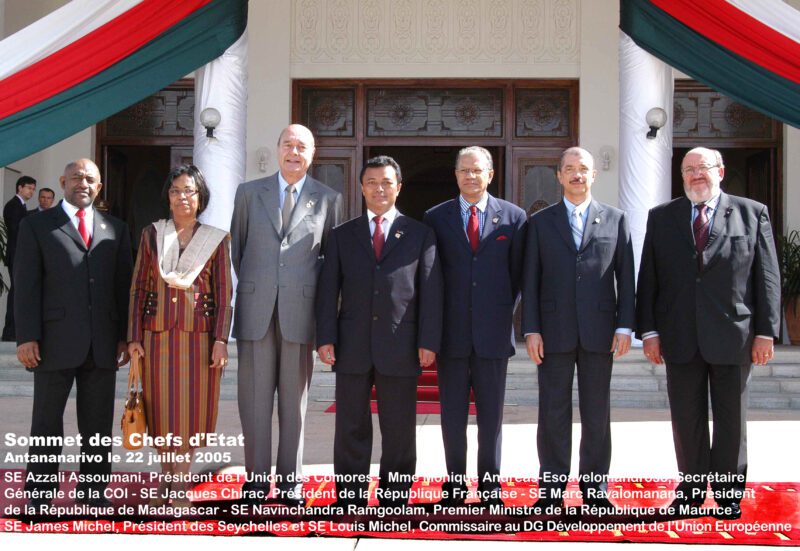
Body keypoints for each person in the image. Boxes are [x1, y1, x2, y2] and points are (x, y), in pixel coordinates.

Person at [636, 147, 781, 521]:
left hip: (734, 335)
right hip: (679, 335)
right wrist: (649, 331)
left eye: (702, 168)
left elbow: (767, 277)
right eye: (688, 169)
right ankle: (691, 492)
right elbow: (649, 277)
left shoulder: (752, 213)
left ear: (721, 171)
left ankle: (728, 494)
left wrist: (767, 332)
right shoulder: (662, 217)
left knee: (732, 419)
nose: (695, 175)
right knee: (687, 420)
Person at [317, 155, 442, 509]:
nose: (379, 189)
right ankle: (350, 497)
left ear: (398, 187)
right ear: (361, 187)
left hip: (401, 344)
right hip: (351, 344)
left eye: (386, 182)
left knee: (399, 427)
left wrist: (428, 340)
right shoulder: (342, 235)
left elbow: (431, 291)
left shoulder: (420, 234)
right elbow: (328, 290)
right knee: (351, 426)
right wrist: (325, 337)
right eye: (371, 182)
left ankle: (395, 497)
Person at [231, 123, 343, 507]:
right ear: (277, 148)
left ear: (313, 154)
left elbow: (330, 262)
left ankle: (290, 481)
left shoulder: (327, 198)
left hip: (300, 312)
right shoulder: (249, 193)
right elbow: (239, 250)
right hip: (256, 311)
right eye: (288, 145)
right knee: (254, 402)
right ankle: (256, 481)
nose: (294, 152)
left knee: (294, 404)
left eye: (302, 147)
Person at [522, 147, 635, 513]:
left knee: (596, 414)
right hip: (552, 333)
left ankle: (595, 489)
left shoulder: (616, 219)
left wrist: (625, 326)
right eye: (569, 168)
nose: (576, 174)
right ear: (559, 176)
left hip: (599, 332)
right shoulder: (540, 222)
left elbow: (626, 278)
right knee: (552, 413)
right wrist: (531, 329)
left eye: (583, 168)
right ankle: (551, 490)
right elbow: (531, 280)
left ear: (593, 175)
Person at [15, 159, 132, 511]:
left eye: (91, 179)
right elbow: (26, 285)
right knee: (46, 421)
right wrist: (26, 336)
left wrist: (125, 336)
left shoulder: (116, 228)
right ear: (63, 181)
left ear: (99, 187)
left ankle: (93, 491)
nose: (84, 183)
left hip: (103, 342)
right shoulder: (36, 225)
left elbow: (123, 286)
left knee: (97, 424)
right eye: (77, 177)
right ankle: (40, 495)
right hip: (52, 342)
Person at [423, 146, 527, 508]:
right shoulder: (436, 217)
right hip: (450, 336)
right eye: (464, 170)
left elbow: (519, 276)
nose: (470, 176)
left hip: (493, 335)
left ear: (490, 174)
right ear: (455, 175)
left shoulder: (513, 218)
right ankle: (454, 485)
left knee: (491, 417)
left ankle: (490, 487)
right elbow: (430, 276)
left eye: (477, 170)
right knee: (452, 416)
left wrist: (500, 312)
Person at [127, 165, 232, 508]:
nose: (182, 197)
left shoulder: (216, 238)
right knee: (159, 409)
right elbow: (138, 288)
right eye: (175, 190)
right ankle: (166, 478)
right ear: (167, 196)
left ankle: (181, 481)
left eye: (189, 190)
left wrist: (220, 340)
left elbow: (224, 293)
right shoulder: (152, 234)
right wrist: (134, 336)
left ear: (200, 197)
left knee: (190, 411)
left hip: (199, 339)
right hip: (155, 335)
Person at [2, 175, 36, 342]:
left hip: (18, 254)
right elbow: (17, 230)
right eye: (29, 188)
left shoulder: (21, 206)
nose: (31, 192)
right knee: (16, 292)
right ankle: (10, 331)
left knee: (19, 292)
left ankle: (13, 330)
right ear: (19, 187)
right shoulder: (13, 205)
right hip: (16, 254)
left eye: (33, 189)